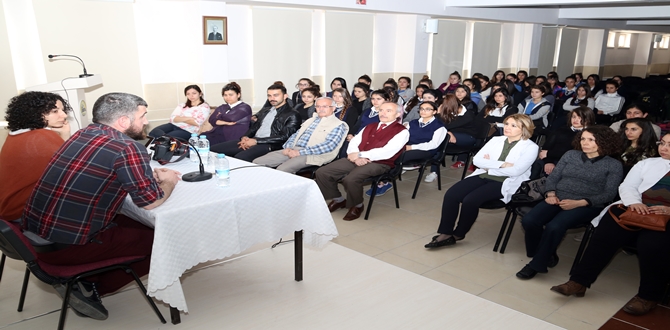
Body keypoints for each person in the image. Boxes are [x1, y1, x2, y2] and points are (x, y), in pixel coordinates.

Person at [22, 92, 181, 320]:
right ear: (123, 121)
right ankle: (88, 286)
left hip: (36, 237)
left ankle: (89, 279)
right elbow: (151, 202)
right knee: (166, 241)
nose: (146, 121)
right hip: (67, 248)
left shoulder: (82, 134)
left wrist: (140, 177)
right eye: (143, 116)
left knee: (136, 223)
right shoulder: (128, 147)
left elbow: (100, 174)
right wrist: (169, 181)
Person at [550, 134, 670, 316]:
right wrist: (634, 203)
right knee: (605, 233)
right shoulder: (647, 163)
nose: (664, 148)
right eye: (663, 143)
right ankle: (579, 282)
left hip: (665, 217)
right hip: (636, 208)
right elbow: (627, 186)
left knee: (652, 245)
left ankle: (648, 297)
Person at [516, 126, 623, 280]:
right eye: (583, 139)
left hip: (586, 204)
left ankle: (536, 264)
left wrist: (580, 203)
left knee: (554, 226)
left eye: (591, 140)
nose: (585, 143)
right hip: (557, 197)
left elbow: (609, 194)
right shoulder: (571, 155)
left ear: (604, 142)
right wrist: (550, 193)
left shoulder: (613, 165)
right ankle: (545, 252)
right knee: (529, 220)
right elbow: (553, 177)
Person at [425, 114, 538, 248]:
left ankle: (459, 233)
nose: (507, 128)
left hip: (505, 181)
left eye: (513, 126)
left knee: (470, 200)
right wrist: (502, 164)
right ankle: (445, 233)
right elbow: (477, 161)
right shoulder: (496, 140)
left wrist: (490, 165)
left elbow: (516, 171)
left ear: (524, 128)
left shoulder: (531, 147)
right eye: (507, 124)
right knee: (451, 195)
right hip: (483, 174)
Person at [315, 102, 409, 221]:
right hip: (356, 158)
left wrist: (361, 154)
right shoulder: (370, 126)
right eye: (381, 110)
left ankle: (357, 205)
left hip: (381, 163)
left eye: (388, 111)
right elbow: (354, 142)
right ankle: (338, 200)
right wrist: (355, 156)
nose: (383, 113)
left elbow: (387, 152)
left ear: (398, 114)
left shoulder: (402, 131)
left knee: (351, 179)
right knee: (322, 172)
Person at [0, 92, 71, 221]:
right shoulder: (41, 137)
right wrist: (65, 136)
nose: (64, 115)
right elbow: (75, 168)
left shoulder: (15, 135)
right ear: (34, 113)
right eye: (55, 111)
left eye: (63, 110)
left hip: (9, 208)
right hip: (24, 213)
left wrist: (63, 135)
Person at [369, 101, 447, 196]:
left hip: (426, 151)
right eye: (421, 109)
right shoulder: (413, 123)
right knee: (385, 152)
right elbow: (403, 136)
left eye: (428, 109)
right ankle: (378, 178)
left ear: (434, 112)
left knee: (396, 157)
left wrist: (412, 147)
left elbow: (433, 144)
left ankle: (384, 181)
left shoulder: (439, 126)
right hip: (407, 147)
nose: (423, 111)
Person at [253, 97, 348, 173]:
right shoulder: (311, 120)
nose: (320, 109)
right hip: (293, 149)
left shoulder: (338, 125)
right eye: (318, 106)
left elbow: (328, 146)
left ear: (333, 108)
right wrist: (288, 148)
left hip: (313, 155)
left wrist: (299, 153)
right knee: (256, 163)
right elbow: (295, 135)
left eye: (325, 106)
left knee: (282, 170)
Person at [210, 84, 300, 162]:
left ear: (285, 96)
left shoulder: (292, 114)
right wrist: (245, 137)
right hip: (254, 139)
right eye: (269, 95)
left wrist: (256, 141)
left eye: (275, 95)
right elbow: (254, 127)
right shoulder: (265, 110)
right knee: (213, 150)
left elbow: (284, 137)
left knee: (240, 158)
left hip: (270, 144)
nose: (272, 98)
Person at [539, 106, 595, 175]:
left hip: (573, 164)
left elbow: (575, 154)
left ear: (588, 119)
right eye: (574, 117)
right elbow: (546, 148)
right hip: (553, 159)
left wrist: (549, 153)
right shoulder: (561, 129)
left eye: (580, 118)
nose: (575, 120)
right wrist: (548, 162)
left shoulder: (590, 135)